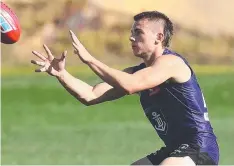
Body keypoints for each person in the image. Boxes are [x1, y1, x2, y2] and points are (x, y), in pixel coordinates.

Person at [31, 11, 219, 165]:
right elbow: (90, 95)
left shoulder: (170, 63)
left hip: (199, 148)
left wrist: (89, 59)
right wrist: (62, 74)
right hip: (175, 149)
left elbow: (130, 85)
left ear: (159, 37)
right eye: (132, 32)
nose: (131, 37)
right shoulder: (138, 72)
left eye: (138, 32)